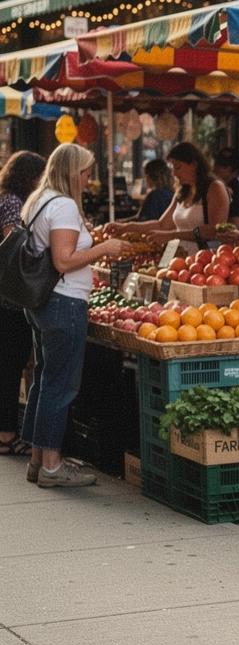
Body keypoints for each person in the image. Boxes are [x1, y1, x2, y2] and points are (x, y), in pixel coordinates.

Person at [21, 144, 132, 487]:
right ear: (71, 172)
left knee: (44, 380)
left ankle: (39, 459)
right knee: (60, 385)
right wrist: (102, 249)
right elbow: (63, 261)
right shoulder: (65, 206)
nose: (88, 179)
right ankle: (52, 465)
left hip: (42, 303)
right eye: (85, 172)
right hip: (63, 304)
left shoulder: (39, 200)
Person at [0, 151, 46, 457]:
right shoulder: (13, 203)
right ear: (29, 177)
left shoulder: (5, 198)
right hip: (9, 296)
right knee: (10, 362)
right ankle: (6, 435)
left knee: (8, 362)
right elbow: (13, 241)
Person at [107, 142, 229, 251]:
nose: (174, 173)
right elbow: (162, 225)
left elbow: (213, 230)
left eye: (178, 167)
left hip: (205, 262)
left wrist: (172, 235)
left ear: (194, 164)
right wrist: (126, 227)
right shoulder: (181, 192)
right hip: (179, 258)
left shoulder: (215, 188)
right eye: (172, 168)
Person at [212, 148, 239, 228]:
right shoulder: (218, 186)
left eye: (223, 165)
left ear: (234, 170)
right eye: (216, 163)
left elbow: (234, 225)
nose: (216, 168)